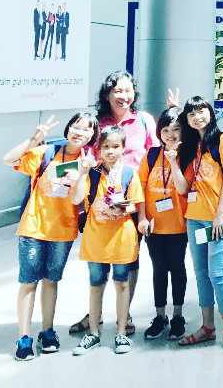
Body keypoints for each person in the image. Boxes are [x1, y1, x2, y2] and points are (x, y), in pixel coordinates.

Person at [4, 112, 98, 361]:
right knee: (28, 281)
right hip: (33, 227)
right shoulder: (45, 152)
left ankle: (47, 331)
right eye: (76, 126)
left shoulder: (87, 162)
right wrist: (34, 139)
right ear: (68, 129)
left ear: (92, 136)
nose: (80, 132)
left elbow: (77, 200)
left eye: (87, 129)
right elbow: (7, 159)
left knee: (51, 280)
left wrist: (82, 175)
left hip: (62, 230)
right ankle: (24, 337)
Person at [70, 71, 157, 337]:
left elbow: (156, 156)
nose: (123, 96)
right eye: (117, 91)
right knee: (98, 258)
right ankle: (93, 315)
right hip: (99, 202)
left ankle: (124, 312)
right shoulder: (97, 123)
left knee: (129, 259)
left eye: (128, 90)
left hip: (133, 199)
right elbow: (82, 156)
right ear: (107, 94)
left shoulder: (144, 120)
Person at [70, 127, 144, 355]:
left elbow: (136, 204)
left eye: (115, 146)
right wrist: (82, 173)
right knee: (96, 284)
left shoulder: (130, 173)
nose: (110, 151)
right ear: (99, 149)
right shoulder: (92, 173)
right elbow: (76, 198)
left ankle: (121, 332)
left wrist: (120, 209)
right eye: (106, 147)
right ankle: (93, 334)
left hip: (122, 238)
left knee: (122, 283)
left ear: (123, 148)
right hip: (96, 238)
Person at [177, 97, 223, 352]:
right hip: (194, 218)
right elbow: (186, 186)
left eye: (201, 110)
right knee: (201, 273)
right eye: (191, 113)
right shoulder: (192, 147)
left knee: (217, 273)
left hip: (217, 219)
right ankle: (207, 326)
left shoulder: (221, 140)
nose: (197, 116)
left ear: (210, 112)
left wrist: (219, 215)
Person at [137, 108, 192, 342]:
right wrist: (141, 218)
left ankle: (178, 315)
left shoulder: (187, 156)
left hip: (179, 225)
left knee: (177, 267)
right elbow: (140, 189)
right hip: (154, 226)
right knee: (159, 269)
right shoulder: (151, 155)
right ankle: (160, 316)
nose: (170, 134)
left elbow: (183, 188)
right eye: (166, 130)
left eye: (176, 129)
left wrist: (173, 162)